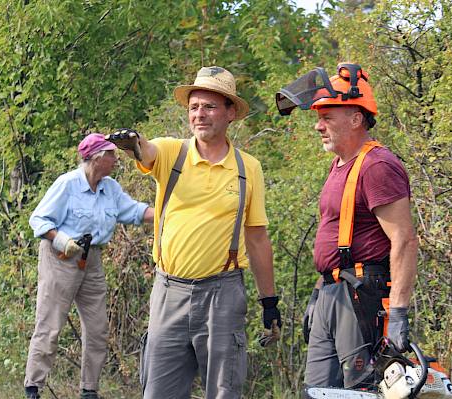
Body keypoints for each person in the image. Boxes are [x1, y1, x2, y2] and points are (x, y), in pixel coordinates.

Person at [107, 66, 282, 399]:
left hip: (223, 294)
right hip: (169, 290)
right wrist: (133, 144)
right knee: (158, 391)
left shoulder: (249, 168)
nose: (200, 114)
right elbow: (147, 150)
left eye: (210, 107)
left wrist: (269, 301)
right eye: (194, 107)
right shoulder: (174, 153)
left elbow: (257, 239)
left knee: (223, 391)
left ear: (231, 113)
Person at [277, 63, 418, 389]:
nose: (318, 126)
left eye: (327, 117)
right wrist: (319, 293)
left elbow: (405, 240)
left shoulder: (378, 165)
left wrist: (398, 312)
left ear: (356, 118)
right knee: (319, 391)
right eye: (318, 117)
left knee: (361, 390)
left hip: (360, 294)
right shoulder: (339, 165)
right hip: (333, 292)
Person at [23, 133, 155, 399]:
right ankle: (33, 387)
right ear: (97, 158)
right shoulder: (67, 184)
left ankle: (89, 390)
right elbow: (38, 220)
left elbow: (135, 211)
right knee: (50, 324)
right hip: (60, 258)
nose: (116, 160)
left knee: (97, 329)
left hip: (91, 259)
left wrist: (170, 211)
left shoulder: (110, 188)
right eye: (111, 155)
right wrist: (62, 240)